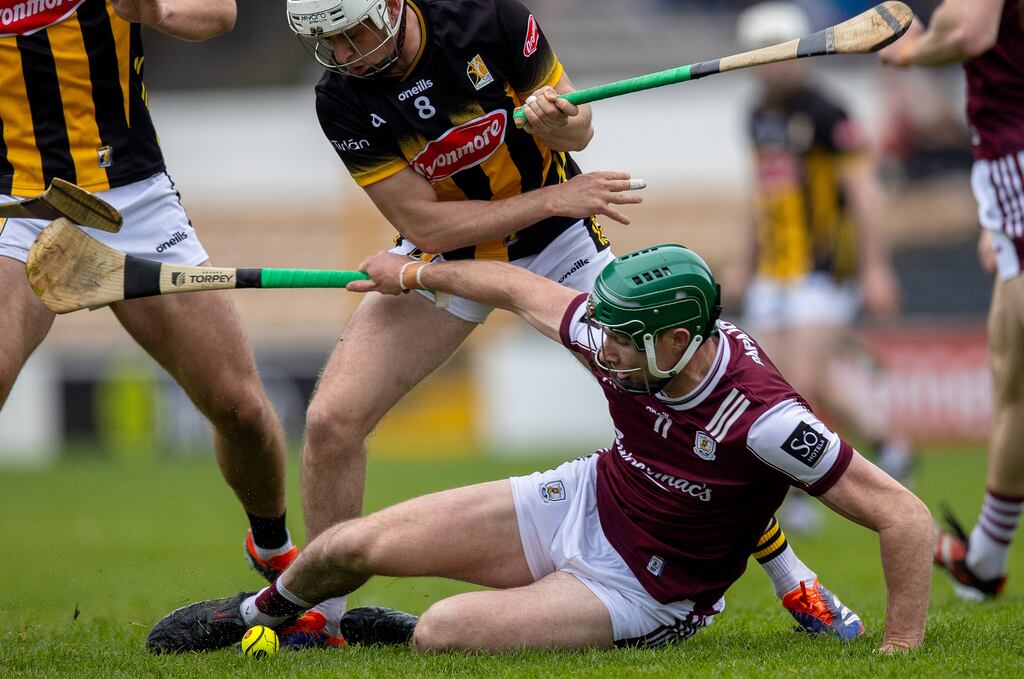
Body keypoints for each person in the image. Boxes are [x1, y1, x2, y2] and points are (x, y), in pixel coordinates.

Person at [276, 0, 853, 645]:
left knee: (668, 404)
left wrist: (561, 125)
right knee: (332, 421)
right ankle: (319, 616)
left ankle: (794, 577)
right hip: (450, 250)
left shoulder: (487, 18)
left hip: (562, 245)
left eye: (351, 32)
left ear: (391, 0)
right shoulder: (341, 97)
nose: (341, 53)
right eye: (326, 41)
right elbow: (422, 217)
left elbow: (579, 130)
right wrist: (551, 198)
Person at [146, 244, 933, 654]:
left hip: (646, 591)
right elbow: (519, 287)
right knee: (352, 541)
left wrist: (901, 647)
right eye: (609, 334)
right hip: (587, 498)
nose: (605, 351)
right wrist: (414, 270)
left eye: (625, 343)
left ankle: (396, 629)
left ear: (677, 338)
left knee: (442, 631)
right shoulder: (623, 330)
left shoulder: (761, 417)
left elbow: (905, 516)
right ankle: (260, 615)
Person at [0, 0, 296, 578]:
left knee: (238, 406)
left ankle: (275, 554)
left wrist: (159, 10)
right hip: (23, 208)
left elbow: (215, 1)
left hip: (133, 200)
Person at [879, 0, 1024, 600]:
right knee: (1009, 365)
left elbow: (969, 28)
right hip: (1006, 180)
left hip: (1014, 152)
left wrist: (913, 52)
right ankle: (987, 559)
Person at [731, 0, 907, 533]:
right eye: (763, 57)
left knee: (798, 385)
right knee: (782, 385)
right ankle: (888, 444)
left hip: (824, 270)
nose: (774, 67)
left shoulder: (830, 113)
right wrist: (743, 259)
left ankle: (798, 496)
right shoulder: (756, 115)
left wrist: (876, 267)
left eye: (782, 55)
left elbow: (864, 191)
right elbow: (757, 192)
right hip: (773, 273)